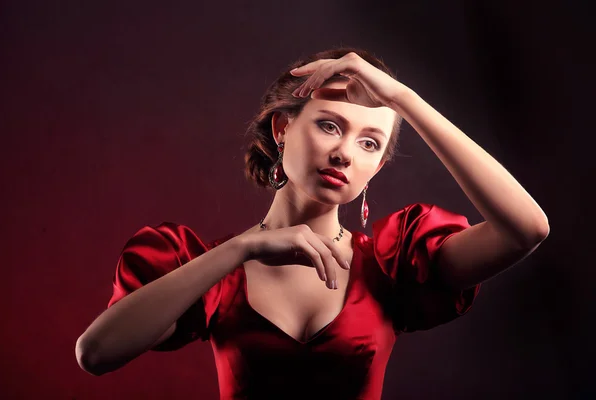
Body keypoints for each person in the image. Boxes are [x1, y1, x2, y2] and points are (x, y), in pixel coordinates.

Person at [75, 47, 550, 399]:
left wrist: (401, 99)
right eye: (329, 125)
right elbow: (96, 354)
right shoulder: (205, 268)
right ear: (283, 129)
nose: (345, 152)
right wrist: (241, 250)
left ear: (379, 166)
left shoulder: (393, 263)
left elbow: (526, 229)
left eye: (370, 143)